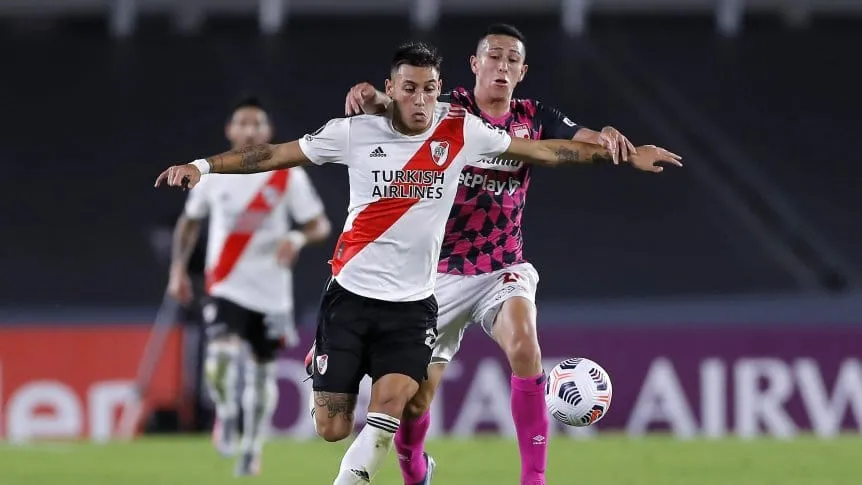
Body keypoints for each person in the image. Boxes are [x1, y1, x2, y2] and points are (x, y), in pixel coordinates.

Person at [155, 41, 680, 485]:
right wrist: (203, 166)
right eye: (410, 88)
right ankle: (330, 371)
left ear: (440, 89)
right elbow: (271, 155)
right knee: (332, 428)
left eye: (430, 89)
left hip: (413, 307)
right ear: (392, 89)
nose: (422, 99)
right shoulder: (353, 132)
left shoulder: (461, 130)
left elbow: (545, 152)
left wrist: (625, 154)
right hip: (349, 296)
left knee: (388, 414)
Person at [339, 24, 672, 485]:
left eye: (512, 60)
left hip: (502, 266)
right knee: (415, 402)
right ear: (475, 64)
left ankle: (534, 479)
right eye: (494, 56)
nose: (502, 66)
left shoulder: (534, 116)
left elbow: (585, 141)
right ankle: (415, 468)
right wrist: (373, 97)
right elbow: (400, 107)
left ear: (522, 71)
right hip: (438, 274)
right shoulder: (447, 110)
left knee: (524, 345)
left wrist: (618, 143)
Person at [166, 96, 331, 476]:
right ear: (230, 129)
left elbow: (319, 224)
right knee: (219, 363)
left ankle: (252, 447)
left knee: (261, 371)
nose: (250, 130)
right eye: (243, 123)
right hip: (226, 285)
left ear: (268, 130)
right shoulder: (213, 173)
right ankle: (226, 412)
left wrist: (296, 238)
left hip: (271, 291)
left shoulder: (287, 175)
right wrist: (177, 270)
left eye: (257, 124)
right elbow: (190, 221)